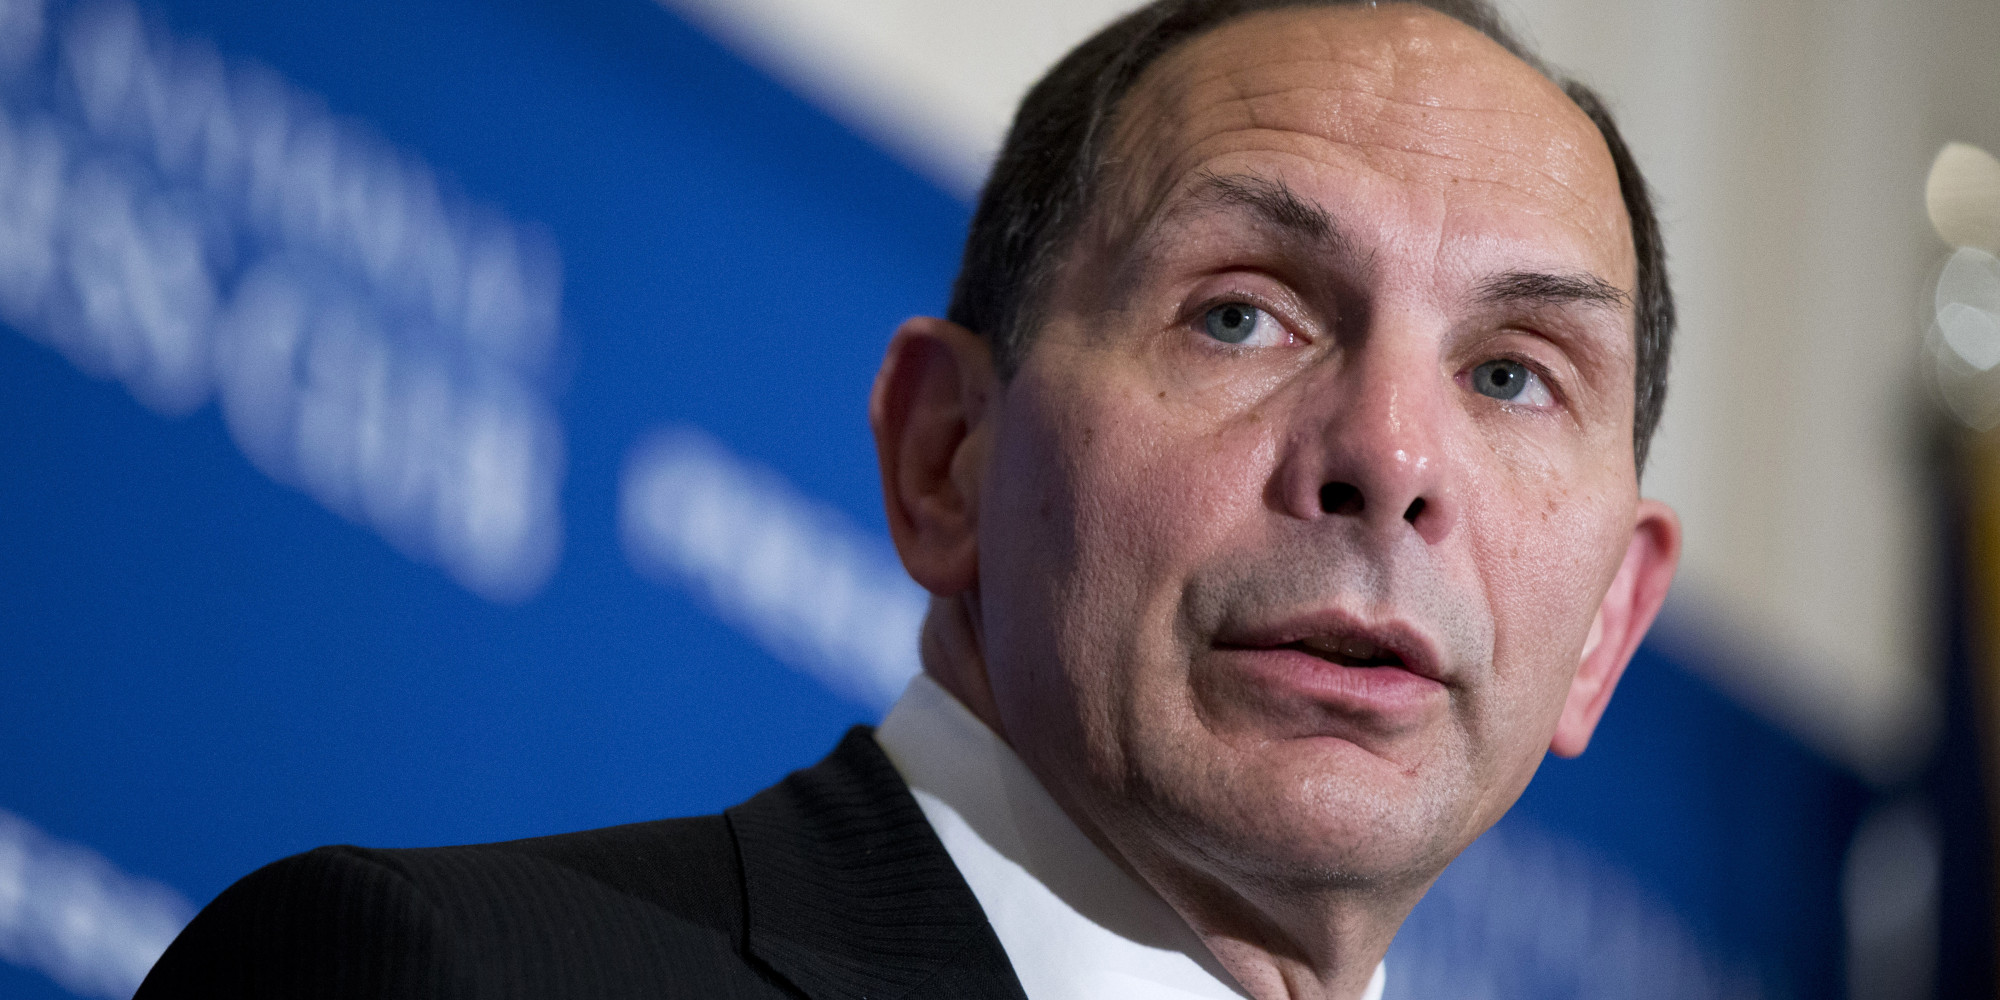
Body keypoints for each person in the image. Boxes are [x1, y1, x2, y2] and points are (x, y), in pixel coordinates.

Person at [137, 0, 1680, 997]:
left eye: (1512, 373)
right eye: (1239, 315)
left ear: (1608, 626)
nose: (1392, 459)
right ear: (946, 454)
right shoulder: (433, 980)